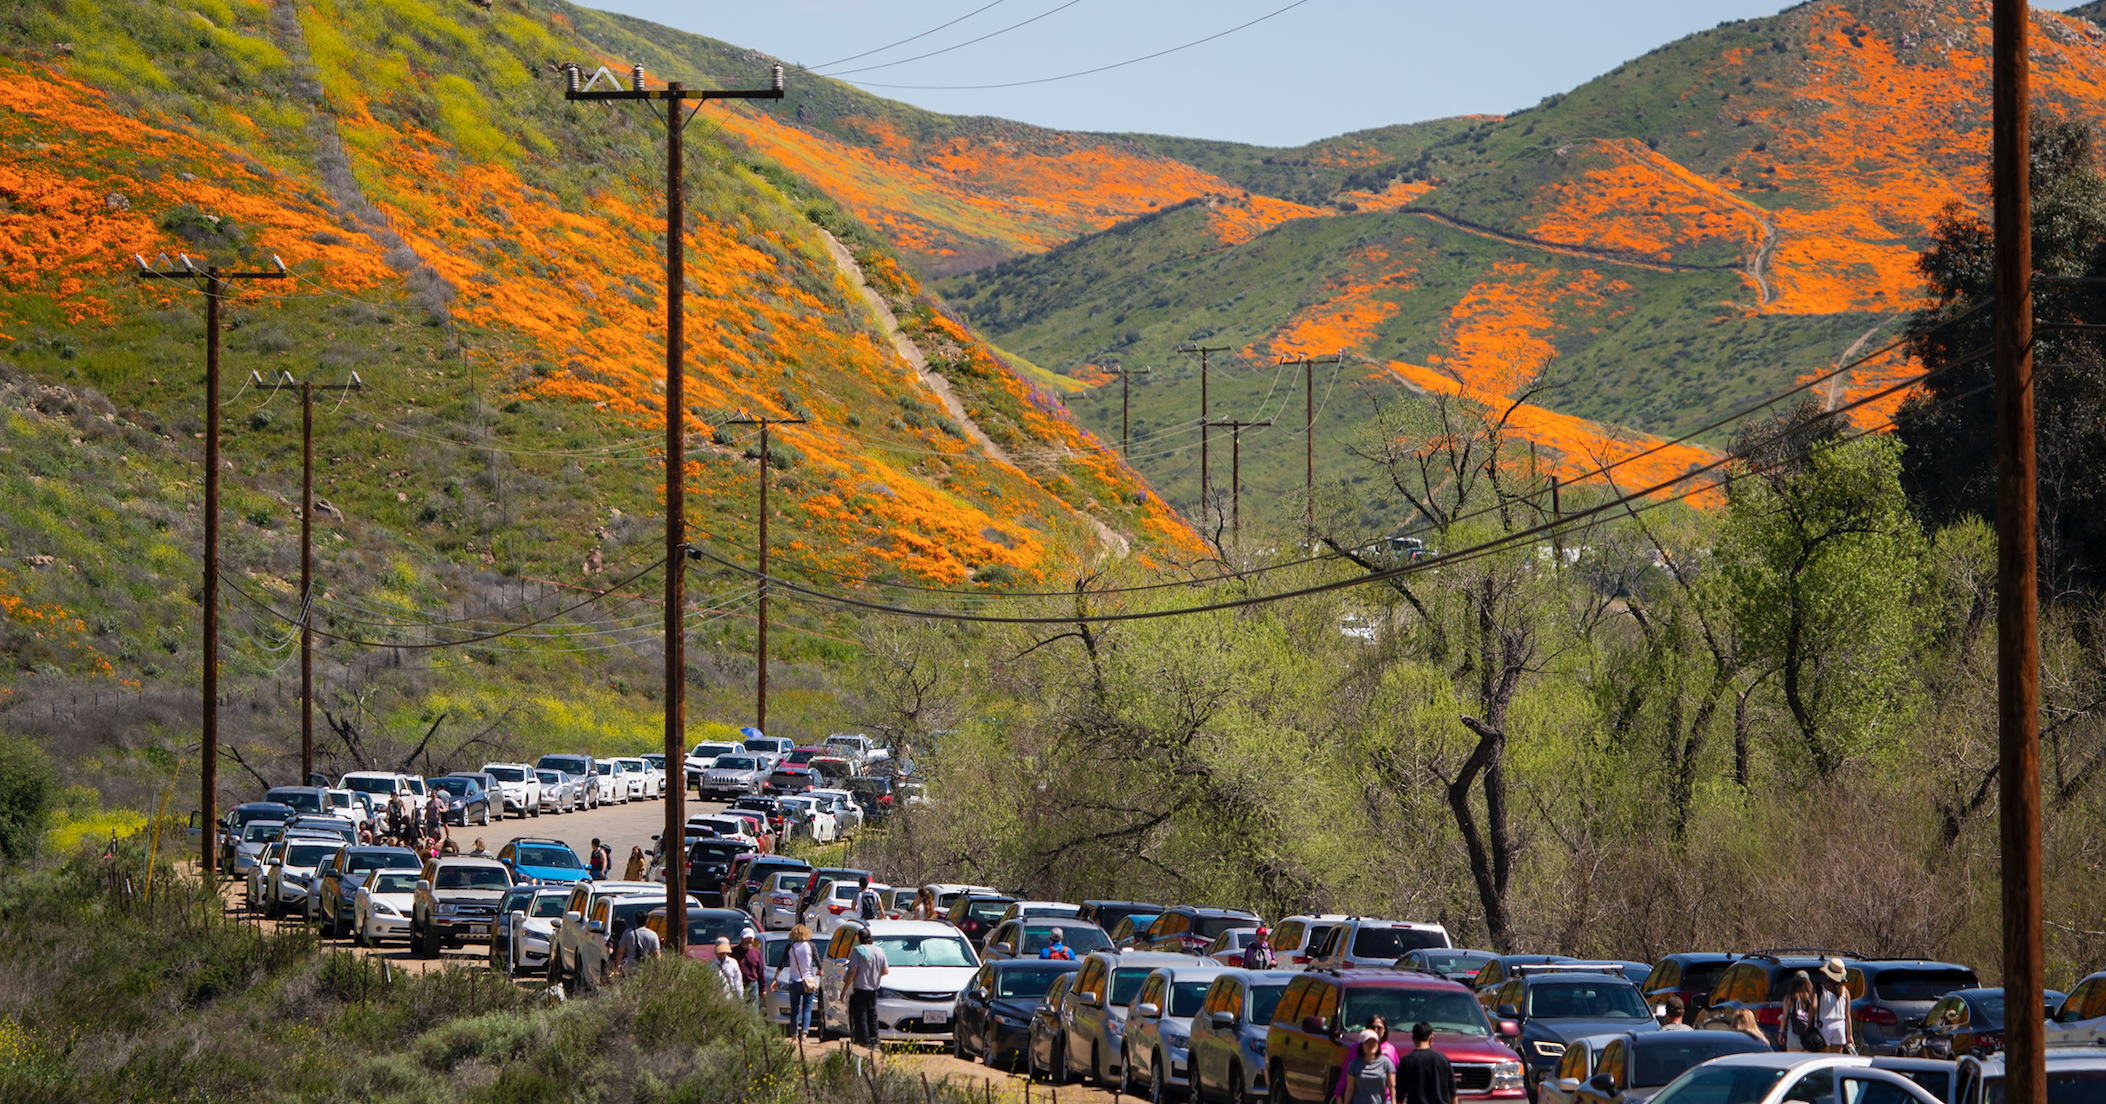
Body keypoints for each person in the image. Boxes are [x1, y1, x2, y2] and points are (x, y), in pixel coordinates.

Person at [1334, 1016, 1402, 1101]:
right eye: (1373, 1027)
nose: (1376, 1030)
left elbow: (1397, 1079)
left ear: (1384, 1030)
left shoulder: (1390, 1051)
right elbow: (1345, 1077)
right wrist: (1339, 1093)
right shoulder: (1355, 1052)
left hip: (1384, 1099)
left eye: (1379, 1028)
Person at [774, 923, 821, 1040]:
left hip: (793, 981)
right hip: (808, 980)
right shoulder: (811, 946)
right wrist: (820, 971)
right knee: (807, 1008)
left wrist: (775, 978)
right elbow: (818, 962)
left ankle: (794, 1033)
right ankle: (804, 1033)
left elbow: (782, 963)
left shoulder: (790, 947)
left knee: (794, 1009)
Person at [848, 926, 889, 1048]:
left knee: (861, 1015)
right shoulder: (879, 950)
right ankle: (874, 1039)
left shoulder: (858, 950)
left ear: (859, 939)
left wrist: (845, 988)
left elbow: (852, 971)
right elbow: (885, 970)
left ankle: (864, 1040)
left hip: (860, 988)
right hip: (873, 988)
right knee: (872, 1014)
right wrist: (875, 975)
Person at [1395, 1021, 1453, 1104]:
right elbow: (1452, 1090)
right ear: (1431, 1038)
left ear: (1413, 1038)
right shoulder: (1442, 1059)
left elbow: (1400, 1092)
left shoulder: (1406, 1061)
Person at [1341, 1028, 1398, 1104]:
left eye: (1374, 1042)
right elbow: (1350, 1089)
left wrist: (1394, 1102)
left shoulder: (1386, 1062)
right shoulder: (1354, 1064)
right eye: (1368, 1042)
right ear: (1361, 1045)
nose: (1371, 1045)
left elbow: (1392, 1087)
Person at [1815, 958, 1855, 1053]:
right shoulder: (1845, 991)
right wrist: (1849, 1035)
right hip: (1840, 1026)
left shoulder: (1820, 988)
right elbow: (1847, 1015)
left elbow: (1813, 1006)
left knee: (1821, 1059)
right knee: (1837, 1059)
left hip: (1824, 1025)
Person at [1781, 971, 1819, 1052]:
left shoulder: (1789, 997)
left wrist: (1781, 1033)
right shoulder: (1812, 997)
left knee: (1793, 1060)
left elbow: (1784, 1017)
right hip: (1809, 1033)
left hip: (1794, 1033)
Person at [738, 928, 768, 1012]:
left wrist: (763, 988)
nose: (749, 940)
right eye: (746, 938)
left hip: (752, 985)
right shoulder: (734, 953)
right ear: (741, 939)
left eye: (751, 938)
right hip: (738, 985)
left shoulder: (756, 953)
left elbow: (761, 971)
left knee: (753, 1011)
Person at [711, 936, 744, 1001]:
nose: (722, 953)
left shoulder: (733, 962)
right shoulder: (712, 965)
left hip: (731, 997)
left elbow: (738, 980)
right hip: (717, 998)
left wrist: (740, 996)